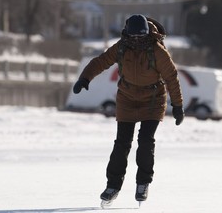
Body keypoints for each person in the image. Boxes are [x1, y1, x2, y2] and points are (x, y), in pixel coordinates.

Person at [73, 14, 184, 204]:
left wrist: (178, 105)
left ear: (147, 34)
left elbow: (171, 77)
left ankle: (143, 183)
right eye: (134, 37)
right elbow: (101, 61)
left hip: (153, 100)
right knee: (122, 143)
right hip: (127, 98)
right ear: (128, 34)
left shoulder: (157, 50)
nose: (137, 41)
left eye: (141, 37)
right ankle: (113, 185)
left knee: (146, 140)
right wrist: (85, 78)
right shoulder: (122, 47)